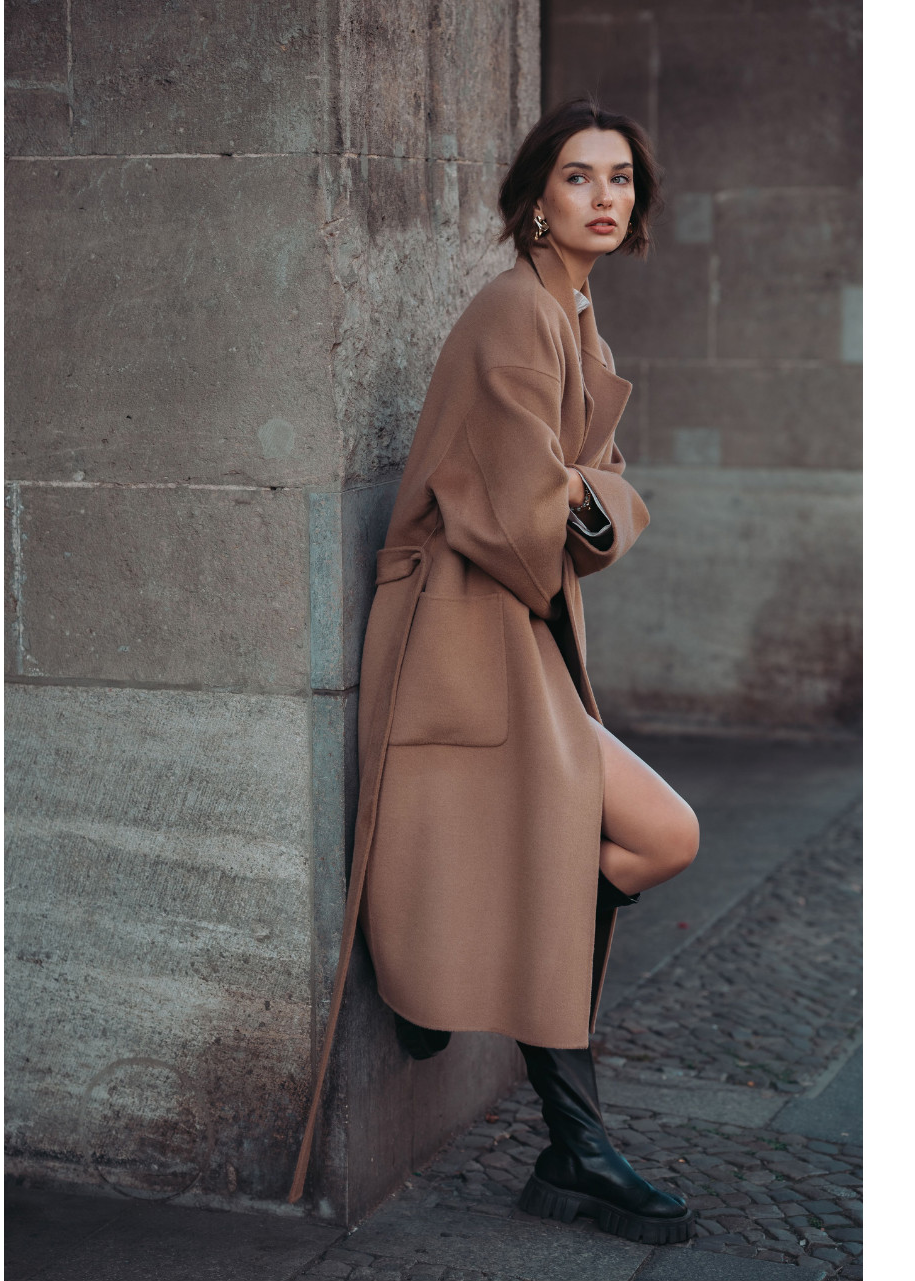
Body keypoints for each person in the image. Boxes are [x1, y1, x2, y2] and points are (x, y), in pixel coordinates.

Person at [290, 98, 700, 1246]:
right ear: (535, 200)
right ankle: (576, 1145)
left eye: (621, 178)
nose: (606, 197)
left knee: (659, 837)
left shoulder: (575, 316)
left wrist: (596, 501)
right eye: (579, 177)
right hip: (467, 633)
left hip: (519, 635)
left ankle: (464, 981)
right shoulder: (516, 314)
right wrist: (600, 501)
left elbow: (592, 502)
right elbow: (532, 524)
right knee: (624, 837)